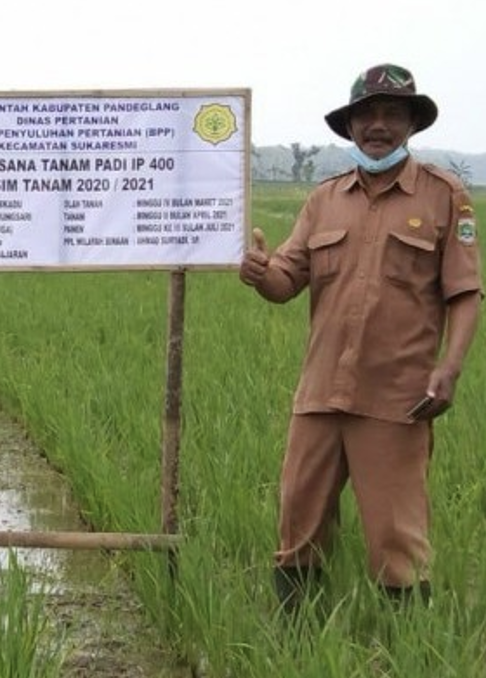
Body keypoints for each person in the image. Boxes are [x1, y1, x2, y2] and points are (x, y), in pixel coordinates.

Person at [240, 63, 480, 613]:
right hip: (320, 394)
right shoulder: (323, 200)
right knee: (298, 526)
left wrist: (451, 367)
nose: (378, 125)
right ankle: (296, 644)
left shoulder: (445, 196)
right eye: (366, 114)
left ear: (410, 125)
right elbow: (285, 282)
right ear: (350, 127)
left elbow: (464, 292)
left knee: (397, 540)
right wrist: (259, 273)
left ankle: (409, 650)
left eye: (392, 113)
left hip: (397, 400)